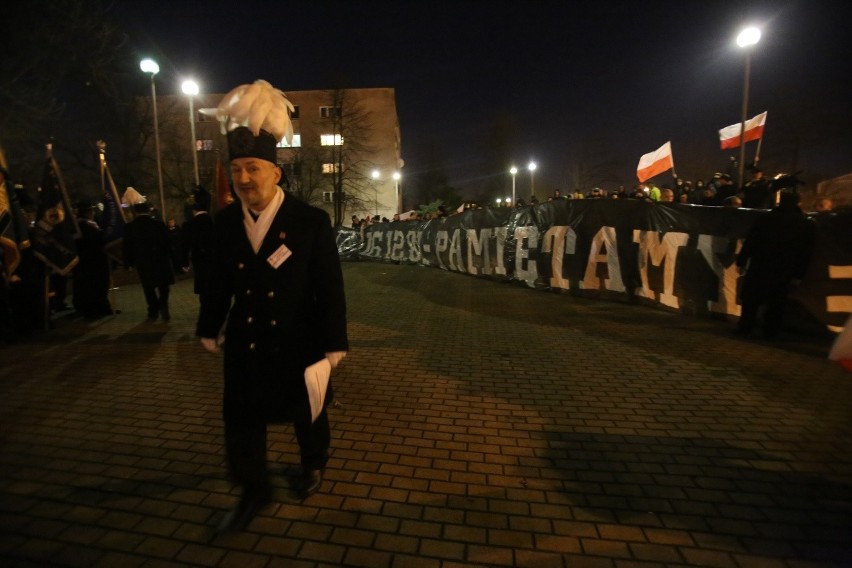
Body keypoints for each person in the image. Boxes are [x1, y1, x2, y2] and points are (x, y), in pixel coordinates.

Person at [196, 79, 348, 534]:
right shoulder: (224, 224)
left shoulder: (309, 222)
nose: (243, 179)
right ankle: (253, 489)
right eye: (237, 169)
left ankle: (313, 462)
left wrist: (334, 342)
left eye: (253, 169)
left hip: (299, 339)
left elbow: (330, 287)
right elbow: (218, 281)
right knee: (241, 419)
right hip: (246, 339)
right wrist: (209, 325)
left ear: (275, 173)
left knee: (308, 411)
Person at [735, 191, 816, 338]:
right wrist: (799, 274)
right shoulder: (804, 223)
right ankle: (770, 331)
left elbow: (751, 241)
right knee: (777, 301)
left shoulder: (766, 219)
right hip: (785, 267)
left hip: (761, 263)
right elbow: (806, 251)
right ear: (798, 203)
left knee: (751, 298)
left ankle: (746, 326)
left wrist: (742, 260)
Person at [123, 201, 174, 321]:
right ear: (148, 210)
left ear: (136, 212)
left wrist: (128, 263)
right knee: (164, 286)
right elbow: (167, 243)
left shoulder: (130, 227)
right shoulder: (159, 225)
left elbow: (127, 246)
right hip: (160, 260)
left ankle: (153, 311)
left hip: (143, 262)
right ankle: (162, 304)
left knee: (148, 287)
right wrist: (171, 256)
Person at [72, 200, 114, 319]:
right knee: (92, 286)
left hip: (93, 260)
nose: (93, 213)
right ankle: (92, 310)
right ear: (87, 212)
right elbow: (91, 241)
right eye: (91, 211)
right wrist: (103, 236)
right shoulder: (83, 225)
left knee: (97, 285)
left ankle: (102, 307)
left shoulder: (89, 223)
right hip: (91, 261)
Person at [181, 188, 216, 311]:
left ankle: (206, 309)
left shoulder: (189, 225)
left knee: (203, 287)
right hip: (216, 261)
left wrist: (184, 263)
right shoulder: (215, 222)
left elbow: (184, 245)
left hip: (199, 261)